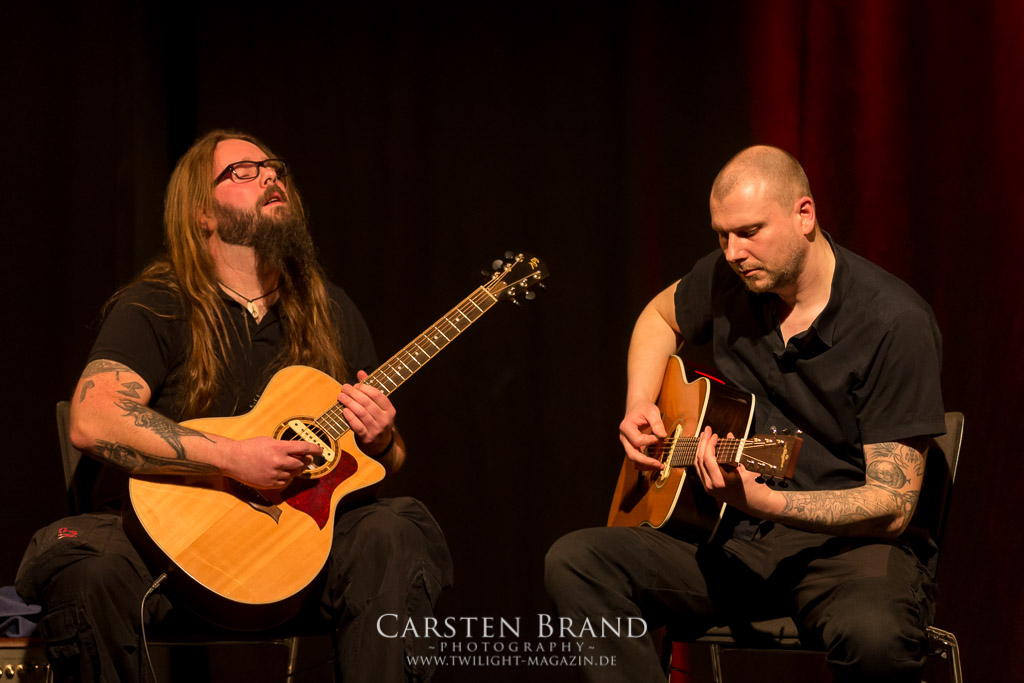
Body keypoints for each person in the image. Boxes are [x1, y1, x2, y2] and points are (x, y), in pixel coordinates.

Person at [17, 130, 452, 682]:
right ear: (202, 213)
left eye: (274, 168)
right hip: (164, 554)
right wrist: (233, 457)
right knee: (86, 568)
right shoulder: (158, 304)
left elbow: (382, 462)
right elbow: (94, 418)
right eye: (243, 171)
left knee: (394, 529)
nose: (270, 176)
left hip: (296, 558)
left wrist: (382, 439)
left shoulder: (330, 310)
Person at [545, 145, 944, 683]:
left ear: (804, 214)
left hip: (849, 553)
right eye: (722, 235)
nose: (733, 252)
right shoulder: (729, 280)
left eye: (750, 232)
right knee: (577, 561)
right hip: (736, 540)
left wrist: (770, 501)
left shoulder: (894, 322)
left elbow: (891, 506)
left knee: (876, 637)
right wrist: (639, 401)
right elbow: (659, 317)